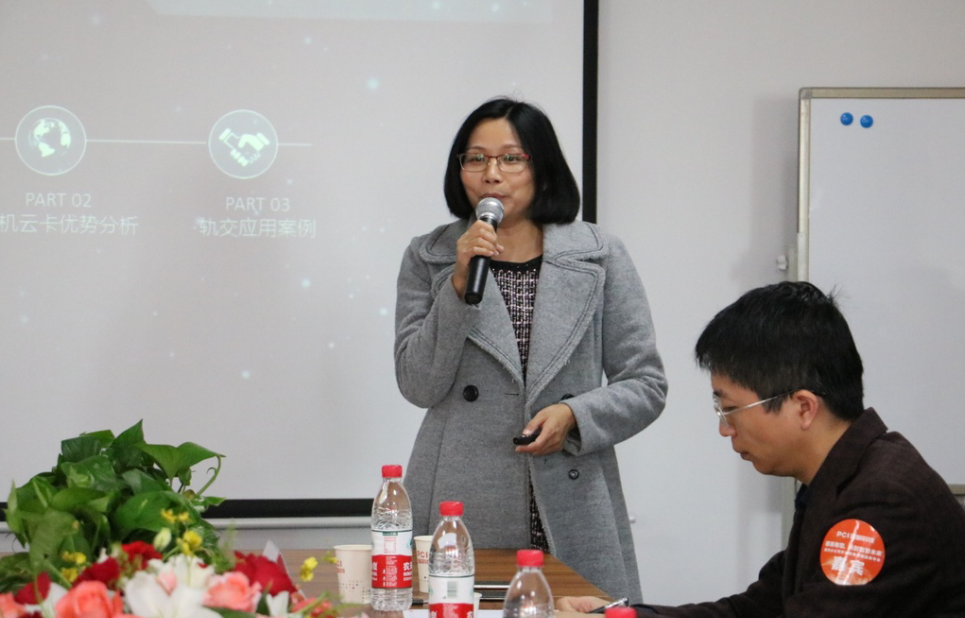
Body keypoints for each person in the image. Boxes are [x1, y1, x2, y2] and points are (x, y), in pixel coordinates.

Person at [394, 97, 667, 601]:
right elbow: (418, 383)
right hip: (464, 496)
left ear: (542, 167)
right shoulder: (429, 257)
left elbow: (646, 384)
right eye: (476, 159)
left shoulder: (600, 255)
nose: (491, 174)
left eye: (511, 158)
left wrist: (574, 415)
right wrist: (457, 287)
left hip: (570, 488)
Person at [559, 281, 965, 616]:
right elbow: (756, 609)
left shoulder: (881, 501)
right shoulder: (842, 475)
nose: (724, 429)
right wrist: (622, 616)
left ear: (803, 407)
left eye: (731, 409)